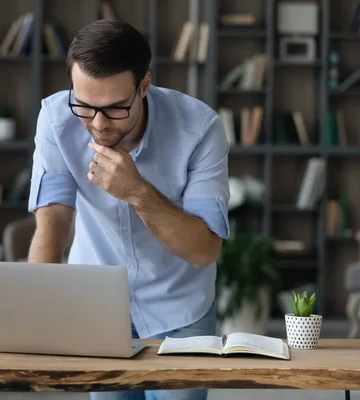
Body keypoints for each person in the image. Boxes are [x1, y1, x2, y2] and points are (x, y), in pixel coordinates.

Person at [26, 19, 230, 400]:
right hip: (98, 306)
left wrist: (137, 191)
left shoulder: (200, 128)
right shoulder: (56, 118)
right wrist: (37, 317)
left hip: (180, 308)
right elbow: (52, 221)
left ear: (144, 87)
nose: (98, 124)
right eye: (85, 106)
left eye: (116, 108)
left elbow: (204, 250)